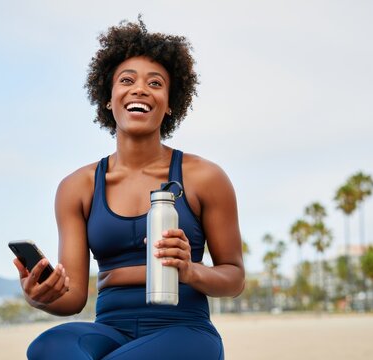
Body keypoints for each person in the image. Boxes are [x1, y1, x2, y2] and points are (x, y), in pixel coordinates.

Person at [13, 17, 245, 360]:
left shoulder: (205, 177)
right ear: (109, 99)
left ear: (169, 105)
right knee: (47, 348)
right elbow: (74, 298)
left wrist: (190, 269)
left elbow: (234, 277)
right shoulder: (77, 187)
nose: (140, 89)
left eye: (155, 83)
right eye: (126, 80)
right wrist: (39, 295)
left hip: (184, 330)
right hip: (109, 328)